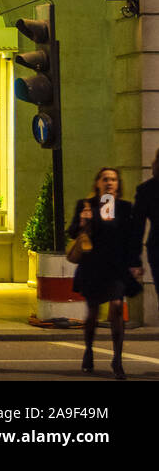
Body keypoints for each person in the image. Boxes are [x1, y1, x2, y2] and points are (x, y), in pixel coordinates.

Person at [67, 167, 142, 379]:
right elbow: (72, 232)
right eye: (106, 179)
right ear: (98, 183)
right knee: (93, 312)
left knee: (117, 308)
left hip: (116, 267)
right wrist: (83, 222)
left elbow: (132, 237)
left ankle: (117, 359)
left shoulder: (126, 208)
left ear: (118, 184)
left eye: (114, 179)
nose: (110, 183)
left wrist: (134, 262)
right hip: (93, 266)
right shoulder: (86, 205)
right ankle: (89, 350)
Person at [131, 150, 159, 306]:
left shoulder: (146, 190)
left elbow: (137, 227)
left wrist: (135, 259)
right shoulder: (146, 190)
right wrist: (134, 259)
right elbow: (137, 227)